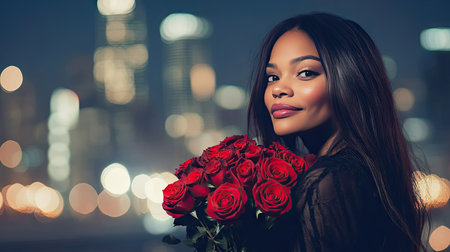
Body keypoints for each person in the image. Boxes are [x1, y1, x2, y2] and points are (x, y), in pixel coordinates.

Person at [247, 13, 427, 251]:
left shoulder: (329, 180)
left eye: (305, 72)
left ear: (350, 79)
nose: (278, 88)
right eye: (272, 76)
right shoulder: (368, 170)